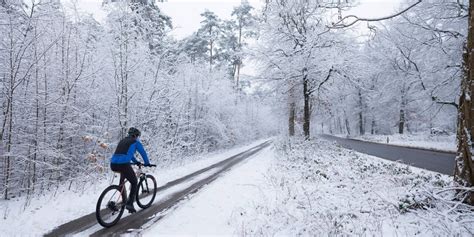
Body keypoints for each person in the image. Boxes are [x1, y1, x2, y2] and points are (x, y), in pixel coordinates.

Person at [110, 127, 150, 213]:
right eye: (138, 136)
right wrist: (147, 163)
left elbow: (128, 154)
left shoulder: (122, 141)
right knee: (134, 182)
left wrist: (136, 161)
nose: (138, 138)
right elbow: (143, 152)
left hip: (113, 164)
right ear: (135, 135)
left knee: (123, 177)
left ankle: (121, 197)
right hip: (123, 164)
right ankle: (130, 204)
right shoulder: (136, 142)